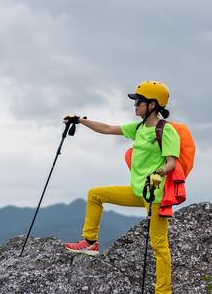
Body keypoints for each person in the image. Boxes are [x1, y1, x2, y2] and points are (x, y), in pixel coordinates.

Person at [63, 80, 180, 294]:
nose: (135, 106)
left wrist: (159, 173)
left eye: (139, 102)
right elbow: (107, 128)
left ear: (152, 105)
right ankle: (90, 242)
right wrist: (80, 120)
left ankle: (164, 291)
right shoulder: (139, 128)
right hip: (138, 191)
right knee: (95, 195)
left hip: (155, 194)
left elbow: (171, 162)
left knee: (159, 246)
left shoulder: (166, 131)